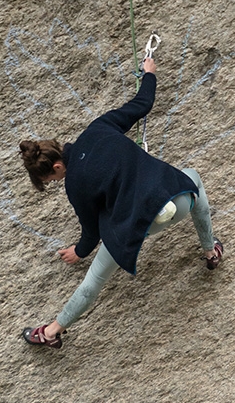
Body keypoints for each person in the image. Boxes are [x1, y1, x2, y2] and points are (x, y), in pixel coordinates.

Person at [19, 57, 223, 349]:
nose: (56, 184)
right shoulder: (98, 128)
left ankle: (51, 332)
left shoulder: (74, 185)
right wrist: (149, 73)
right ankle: (210, 250)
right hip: (175, 202)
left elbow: (92, 232)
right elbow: (143, 104)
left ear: (56, 168)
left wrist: (79, 252)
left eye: (52, 181)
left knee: (93, 281)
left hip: (137, 225)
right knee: (193, 178)